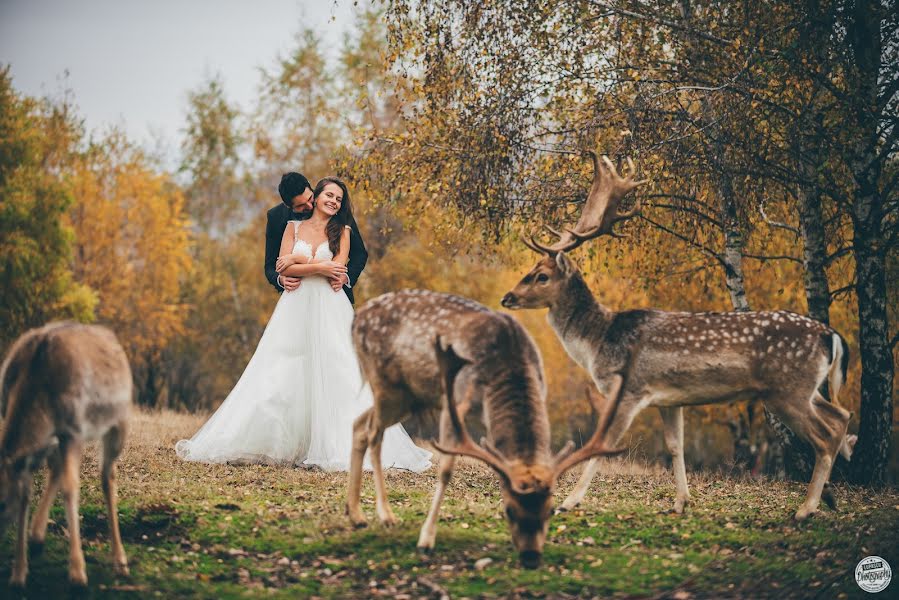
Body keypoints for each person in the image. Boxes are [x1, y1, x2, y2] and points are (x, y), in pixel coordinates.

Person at [176, 177, 431, 471]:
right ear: (299, 202)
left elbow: (340, 265)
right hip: (295, 304)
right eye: (328, 196)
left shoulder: (343, 229)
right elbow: (277, 265)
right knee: (282, 366)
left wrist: (323, 270)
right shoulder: (286, 224)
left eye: (338, 198)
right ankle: (272, 439)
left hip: (331, 304)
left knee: (339, 367)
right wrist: (307, 269)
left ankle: (342, 443)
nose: (330, 201)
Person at [265, 172, 368, 303]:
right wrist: (280, 279)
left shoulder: (339, 214)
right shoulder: (277, 218)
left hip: (332, 292)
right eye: (300, 206)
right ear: (288, 206)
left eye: (310, 199)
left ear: (311, 189)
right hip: (296, 296)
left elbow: (359, 253)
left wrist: (345, 278)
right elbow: (270, 265)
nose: (309, 206)